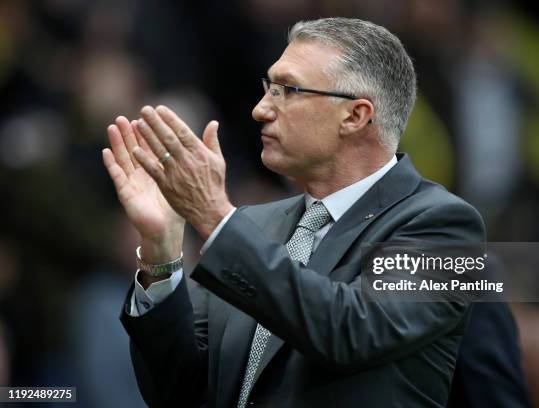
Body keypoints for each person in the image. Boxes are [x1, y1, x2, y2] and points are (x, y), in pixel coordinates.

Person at [102, 18, 485, 407]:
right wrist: (161, 251)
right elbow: (178, 391)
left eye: (287, 90)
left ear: (354, 116)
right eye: (268, 88)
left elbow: (349, 331)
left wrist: (214, 217)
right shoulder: (253, 227)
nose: (260, 110)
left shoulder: (447, 228)